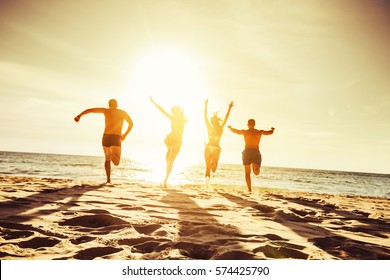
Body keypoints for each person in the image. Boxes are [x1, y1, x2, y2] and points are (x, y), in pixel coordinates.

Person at [74, 99, 133, 184]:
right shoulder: (122, 112)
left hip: (106, 137)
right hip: (116, 137)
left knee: (107, 159)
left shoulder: (105, 111)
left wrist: (79, 116)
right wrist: (124, 135)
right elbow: (131, 124)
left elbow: (90, 110)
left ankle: (108, 179)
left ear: (109, 105)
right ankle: (110, 157)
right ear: (117, 104)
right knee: (116, 162)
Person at [228, 119, 275, 192]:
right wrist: (272, 129)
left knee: (247, 173)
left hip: (247, 152)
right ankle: (255, 166)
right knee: (256, 173)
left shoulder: (245, 132)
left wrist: (230, 128)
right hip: (255, 152)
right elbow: (269, 133)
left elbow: (236, 131)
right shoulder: (259, 132)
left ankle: (249, 189)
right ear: (254, 124)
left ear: (247, 124)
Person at [150, 97, 186, 188]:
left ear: (176, 112)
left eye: (174, 112)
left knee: (169, 160)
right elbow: (162, 110)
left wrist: (153, 102)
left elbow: (163, 110)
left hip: (173, 140)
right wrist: (154, 102)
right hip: (172, 140)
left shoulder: (179, 119)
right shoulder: (178, 118)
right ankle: (165, 180)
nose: (173, 113)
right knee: (169, 160)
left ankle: (165, 180)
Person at [204, 99, 234, 188]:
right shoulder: (220, 128)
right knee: (213, 169)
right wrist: (229, 108)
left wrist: (205, 106)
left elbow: (205, 117)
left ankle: (207, 185)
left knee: (208, 168)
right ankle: (213, 162)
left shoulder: (209, 127)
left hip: (208, 147)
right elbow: (226, 118)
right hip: (216, 148)